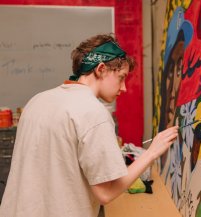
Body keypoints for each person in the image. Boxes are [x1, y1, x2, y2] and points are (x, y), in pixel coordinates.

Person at [0, 34, 179, 217]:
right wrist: (151, 153)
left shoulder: (37, 100)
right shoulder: (93, 112)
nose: (124, 87)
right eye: (121, 77)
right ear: (101, 69)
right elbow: (105, 193)